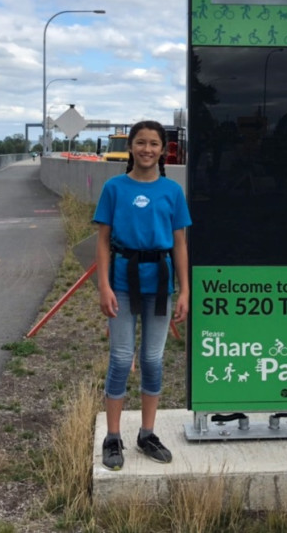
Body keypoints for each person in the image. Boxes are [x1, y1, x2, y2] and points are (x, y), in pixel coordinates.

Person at [93, 120, 191, 470]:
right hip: (122, 281)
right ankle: (113, 436)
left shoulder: (172, 192)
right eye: (140, 142)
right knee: (121, 358)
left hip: (160, 284)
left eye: (154, 144)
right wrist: (103, 286)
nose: (147, 149)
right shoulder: (114, 188)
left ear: (163, 150)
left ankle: (147, 433)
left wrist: (184, 290)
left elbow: (179, 245)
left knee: (152, 359)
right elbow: (103, 243)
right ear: (130, 147)